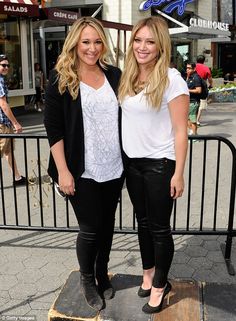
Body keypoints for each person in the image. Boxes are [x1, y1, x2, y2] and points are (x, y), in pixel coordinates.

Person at [44, 17, 124, 311]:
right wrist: (63, 171)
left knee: (107, 226)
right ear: (75, 44)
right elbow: (54, 129)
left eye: (97, 41)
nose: (92, 48)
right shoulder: (60, 79)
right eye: (86, 42)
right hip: (80, 169)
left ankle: (102, 273)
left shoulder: (115, 75)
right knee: (90, 228)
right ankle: (88, 279)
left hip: (114, 166)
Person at [118, 16, 189, 314]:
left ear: (161, 46)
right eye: (138, 40)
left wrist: (179, 173)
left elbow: (180, 129)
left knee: (159, 229)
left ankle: (160, 285)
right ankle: (148, 274)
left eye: (150, 41)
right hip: (132, 164)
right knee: (143, 224)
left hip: (160, 165)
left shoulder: (172, 79)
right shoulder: (128, 76)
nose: (142, 47)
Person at [0, 54, 26, 186]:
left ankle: (17, 177)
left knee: (8, 151)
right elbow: (3, 105)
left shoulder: (2, 80)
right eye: (3, 65)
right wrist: (16, 123)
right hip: (1, 124)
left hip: (5, 122)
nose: (6, 67)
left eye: (7, 65)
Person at [195, 55, 213, 125]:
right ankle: (196, 120)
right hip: (202, 86)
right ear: (204, 61)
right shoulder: (206, 68)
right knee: (201, 104)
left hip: (193, 86)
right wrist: (211, 85)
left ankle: (191, 118)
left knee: (192, 102)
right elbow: (210, 78)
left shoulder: (193, 66)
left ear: (196, 60)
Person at [186, 62, 202, 137]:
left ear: (194, 69)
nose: (187, 70)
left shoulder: (196, 77)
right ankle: (193, 133)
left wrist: (187, 90)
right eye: (187, 68)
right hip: (188, 101)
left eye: (189, 68)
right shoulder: (190, 77)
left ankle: (194, 135)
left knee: (192, 119)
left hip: (194, 101)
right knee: (187, 118)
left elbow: (199, 90)